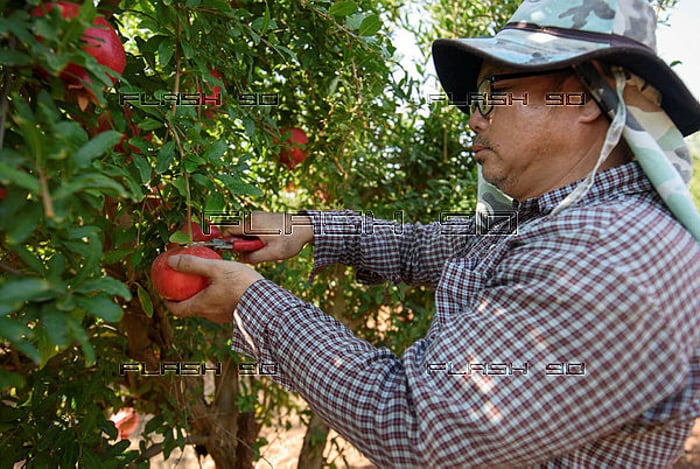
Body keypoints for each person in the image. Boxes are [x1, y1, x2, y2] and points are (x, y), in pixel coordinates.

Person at [165, 0, 700, 466]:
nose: (474, 117)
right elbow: (420, 247)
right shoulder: (554, 219)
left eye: (495, 90)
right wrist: (306, 228)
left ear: (585, 98)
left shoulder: (611, 258)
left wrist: (251, 303)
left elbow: (417, 427)